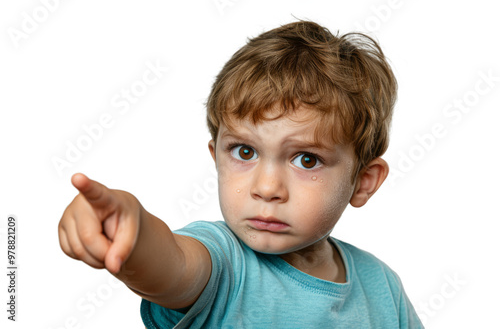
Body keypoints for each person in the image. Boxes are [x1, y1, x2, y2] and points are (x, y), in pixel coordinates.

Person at [58, 20, 423, 328]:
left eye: (306, 160)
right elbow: (171, 265)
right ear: (216, 157)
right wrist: (133, 230)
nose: (266, 188)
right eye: (245, 152)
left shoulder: (382, 287)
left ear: (363, 181)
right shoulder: (224, 262)